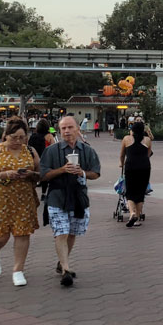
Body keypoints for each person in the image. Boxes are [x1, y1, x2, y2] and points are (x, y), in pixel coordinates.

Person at [0, 117, 41, 287]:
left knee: (23, 233)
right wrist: (4, 174)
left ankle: (18, 270)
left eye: (22, 138)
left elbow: (40, 173)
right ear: (6, 135)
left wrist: (30, 174)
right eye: (14, 138)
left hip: (24, 199)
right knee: (0, 236)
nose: (18, 141)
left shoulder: (30, 150)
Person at [39, 116, 101, 287]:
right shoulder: (52, 151)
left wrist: (81, 172)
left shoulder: (87, 151)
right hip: (57, 196)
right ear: (59, 130)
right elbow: (43, 175)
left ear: (77, 129)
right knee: (61, 232)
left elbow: (95, 173)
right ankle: (66, 269)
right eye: (63, 128)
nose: (66, 131)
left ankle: (62, 262)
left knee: (72, 231)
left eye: (70, 127)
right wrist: (62, 170)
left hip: (78, 197)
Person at [120, 120, 152, 227]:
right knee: (140, 192)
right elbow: (148, 154)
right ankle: (137, 218)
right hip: (144, 167)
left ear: (132, 130)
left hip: (131, 167)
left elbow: (122, 154)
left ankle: (132, 213)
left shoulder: (126, 139)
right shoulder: (147, 140)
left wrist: (121, 163)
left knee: (130, 191)